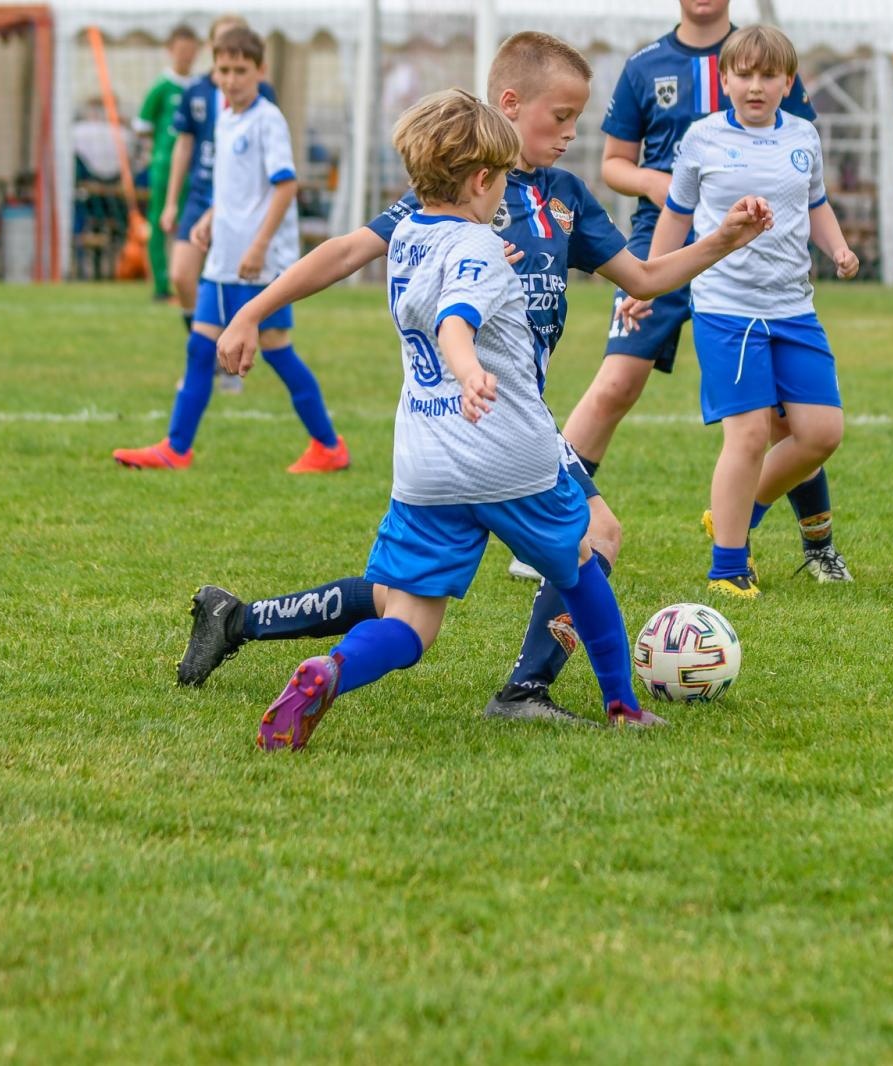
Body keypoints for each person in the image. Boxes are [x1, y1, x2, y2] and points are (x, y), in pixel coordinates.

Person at [174, 32, 772, 724]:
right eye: (561, 117)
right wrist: (255, 307)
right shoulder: (454, 200)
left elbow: (642, 276)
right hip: (504, 425)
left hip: (445, 442)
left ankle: (243, 623)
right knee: (594, 540)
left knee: (400, 602)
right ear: (510, 106)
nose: (573, 133)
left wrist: (720, 241)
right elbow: (345, 254)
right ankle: (537, 694)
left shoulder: (564, 196)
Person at [253, 88, 693, 748]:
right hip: (507, 452)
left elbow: (434, 288)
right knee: (581, 559)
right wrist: (468, 369)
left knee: (409, 621)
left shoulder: (406, 237)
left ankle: (332, 667)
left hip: (428, 464)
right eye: (505, 180)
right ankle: (623, 705)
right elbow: (458, 318)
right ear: (484, 179)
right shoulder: (482, 248)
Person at [562, 0, 853, 585]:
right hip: (701, 282)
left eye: (768, 76)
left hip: (789, 302)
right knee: (717, 423)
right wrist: (648, 273)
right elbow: (649, 192)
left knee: (809, 430)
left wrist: (838, 247)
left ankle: (756, 521)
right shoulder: (677, 106)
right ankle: (716, 562)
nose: (756, 84)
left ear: (786, 83)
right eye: (744, 75)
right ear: (726, 79)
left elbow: (815, 200)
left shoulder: (791, 110)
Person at [112, 27, 347, 474]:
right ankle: (176, 448)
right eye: (224, 70)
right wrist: (209, 216)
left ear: (260, 70)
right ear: (213, 71)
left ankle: (329, 446)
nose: (232, 78)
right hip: (223, 261)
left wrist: (260, 245)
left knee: (278, 352)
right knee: (200, 350)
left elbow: (284, 187)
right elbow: (239, 186)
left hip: (258, 266)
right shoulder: (224, 117)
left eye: (241, 70)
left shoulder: (267, 119)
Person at [161, 14, 276, 339]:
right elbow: (183, 146)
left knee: (235, 285)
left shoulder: (261, 95)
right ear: (213, 48)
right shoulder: (195, 91)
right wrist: (171, 203)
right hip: (202, 195)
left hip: (242, 199)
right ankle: (206, 344)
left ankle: (226, 347)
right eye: (223, 43)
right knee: (182, 275)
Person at [133, 24, 200, 302]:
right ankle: (161, 286)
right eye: (181, 50)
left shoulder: (199, 86)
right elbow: (141, 125)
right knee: (161, 222)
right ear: (170, 51)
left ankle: (194, 283)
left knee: (194, 223)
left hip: (194, 168)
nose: (186, 56)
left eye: (191, 50)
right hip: (164, 167)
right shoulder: (162, 86)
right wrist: (160, 148)